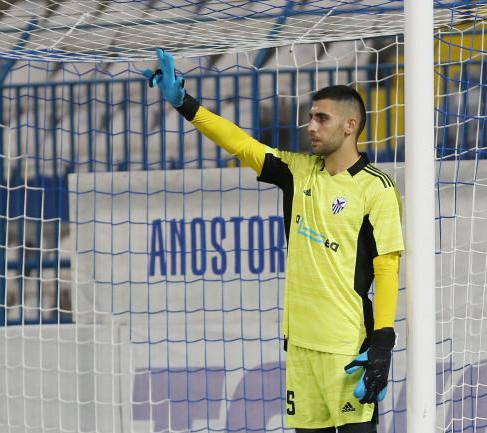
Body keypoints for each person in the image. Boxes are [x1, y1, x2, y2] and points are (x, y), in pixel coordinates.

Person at [144, 48, 404, 433]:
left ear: (350, 125)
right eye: (310, 117)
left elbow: (386, 267)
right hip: (300, 347)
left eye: (321, 118)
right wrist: (185, 104)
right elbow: (239, 143)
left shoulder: (376, 188)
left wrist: (382, 343)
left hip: (347, 349)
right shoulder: (297, 171)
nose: (311, 126)